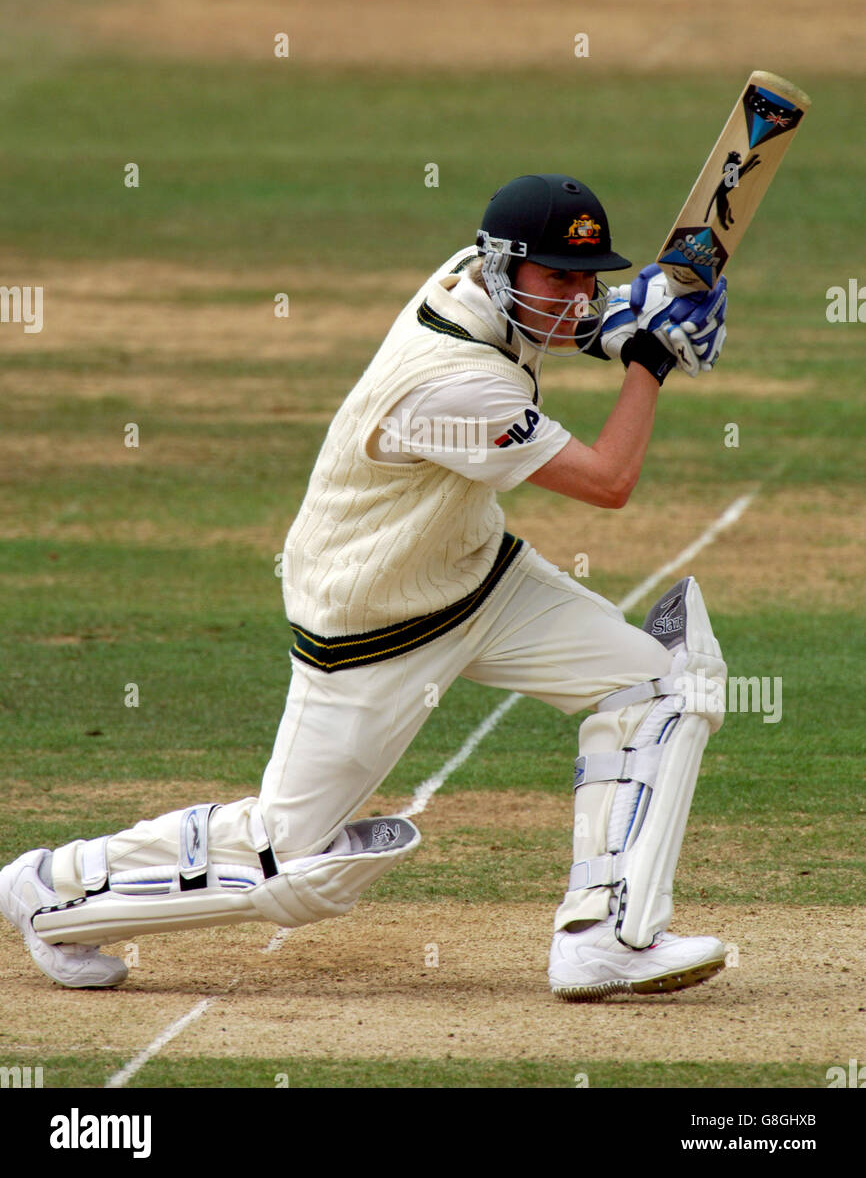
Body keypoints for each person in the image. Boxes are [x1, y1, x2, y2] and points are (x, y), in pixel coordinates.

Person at [1, 173, 729, 1002]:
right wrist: (650, 356)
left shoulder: (474, 276)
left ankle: (603, 939)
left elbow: (567, 323)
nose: (577, 297)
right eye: (559, 278)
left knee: (659, 685)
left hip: (475, 576)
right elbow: (609, 482)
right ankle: (49, 890)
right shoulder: (451, 384)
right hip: (373, 615)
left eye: (587, 275)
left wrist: (632, 312)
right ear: (501, 271)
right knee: (289, 860)